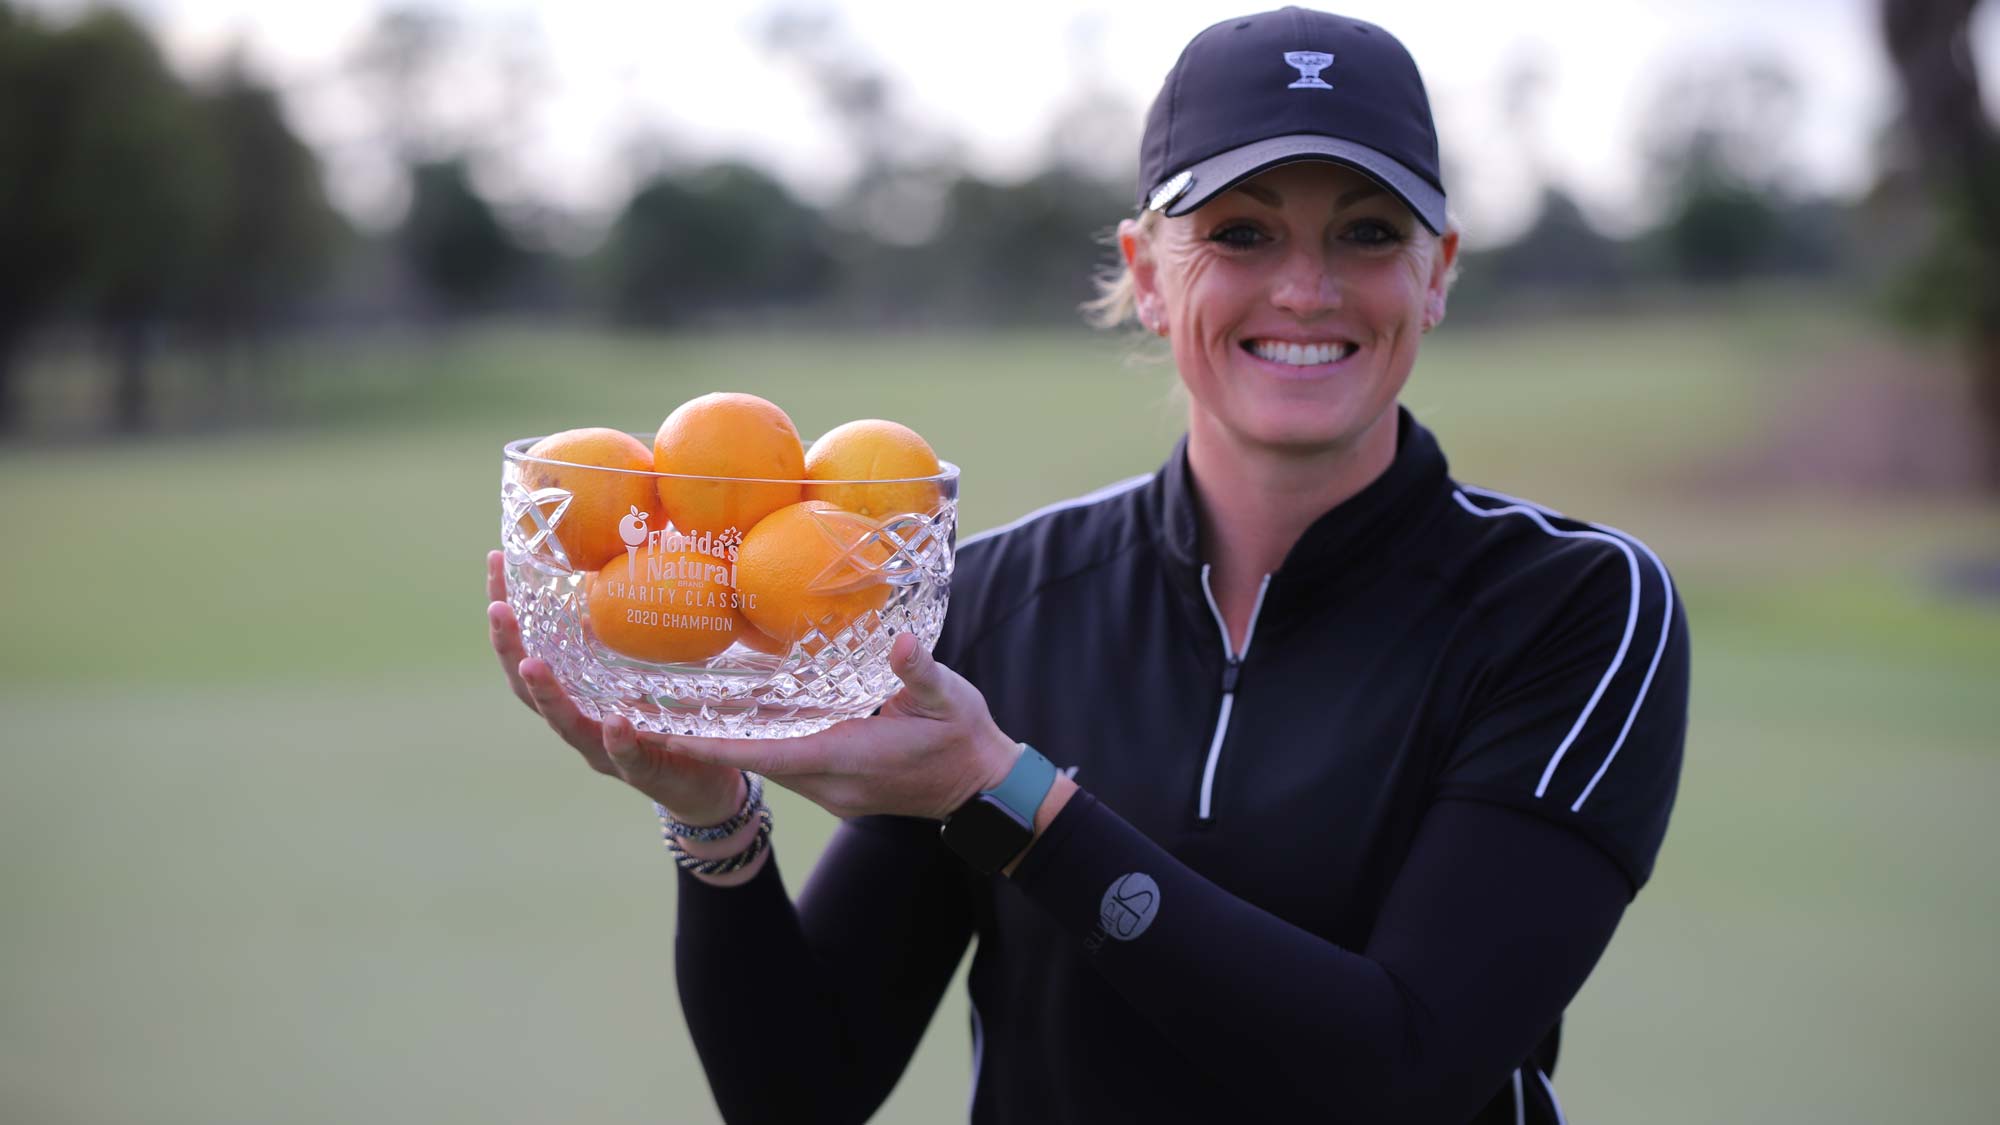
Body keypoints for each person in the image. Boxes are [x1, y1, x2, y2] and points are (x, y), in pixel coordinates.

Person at [483, 8, 1688, 1123]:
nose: (1306, 287)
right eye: (1240, 231)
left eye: (1368, 234)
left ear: (1437, 274)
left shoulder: (1572, 609)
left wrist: (1007, 795)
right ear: (1149, 271)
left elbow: (1402, 1071)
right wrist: (712, 824)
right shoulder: (998, 599)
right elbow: (801, 1090)